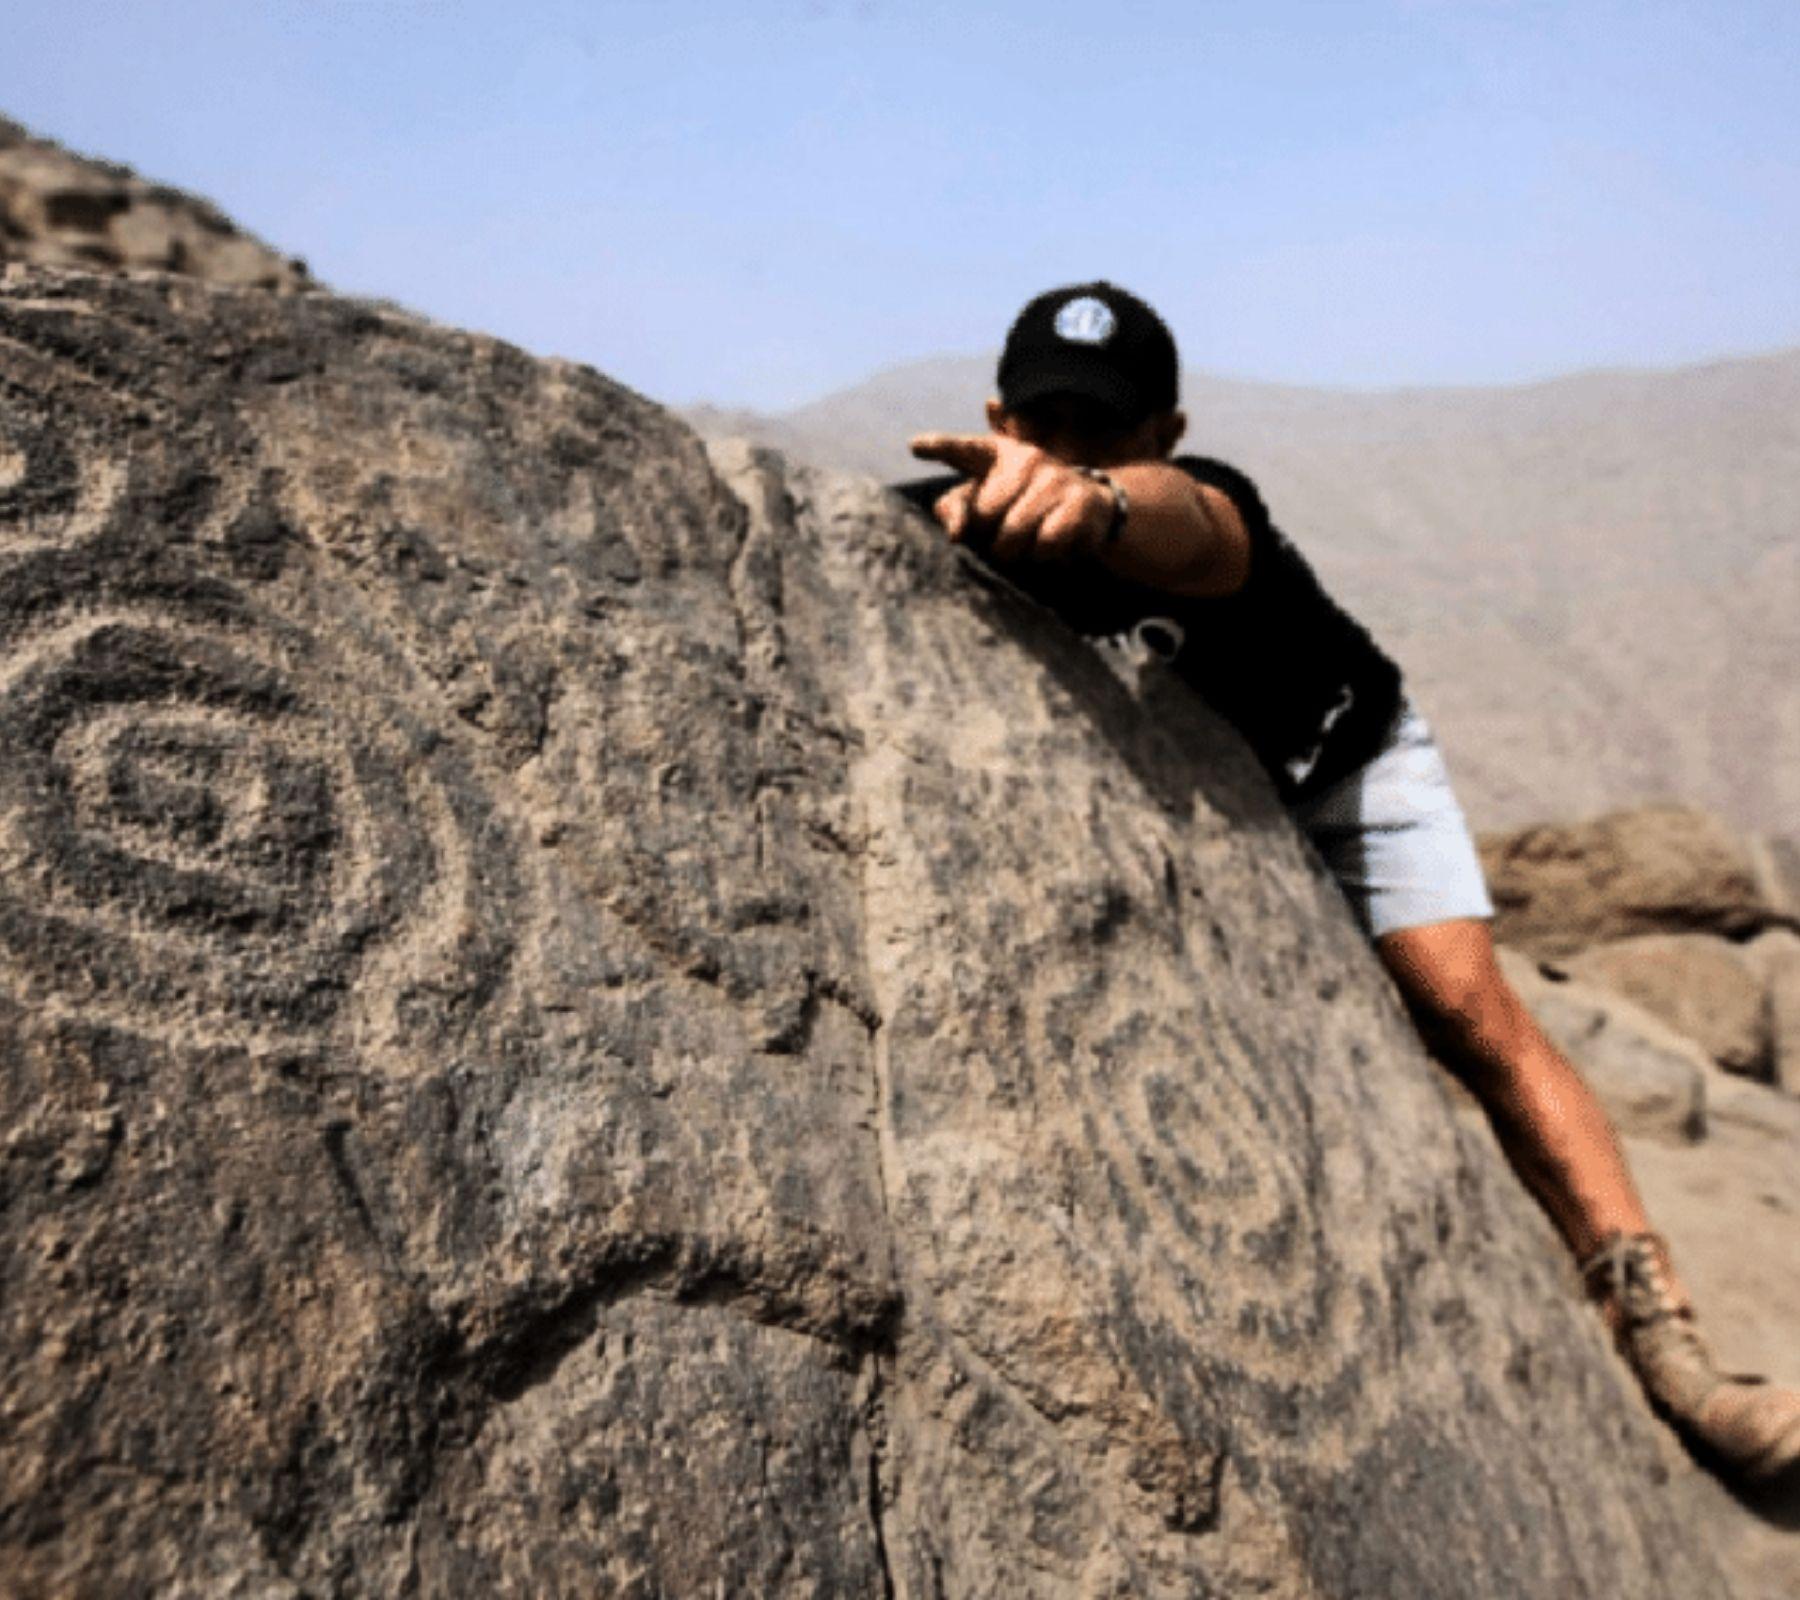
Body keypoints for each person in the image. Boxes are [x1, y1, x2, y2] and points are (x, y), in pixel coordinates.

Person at [893, 279, 1800, 1485]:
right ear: (998, 417)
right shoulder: (955, 521)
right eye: (1046, 425)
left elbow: (1192, 529)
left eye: (1109, 431)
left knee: (1473, 1015)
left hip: (1344, 771)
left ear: (1167, 437)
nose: (1067, 452)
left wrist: (1102, 499)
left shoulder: (1201, 507)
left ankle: (1672, 1346)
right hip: (1191, 821)